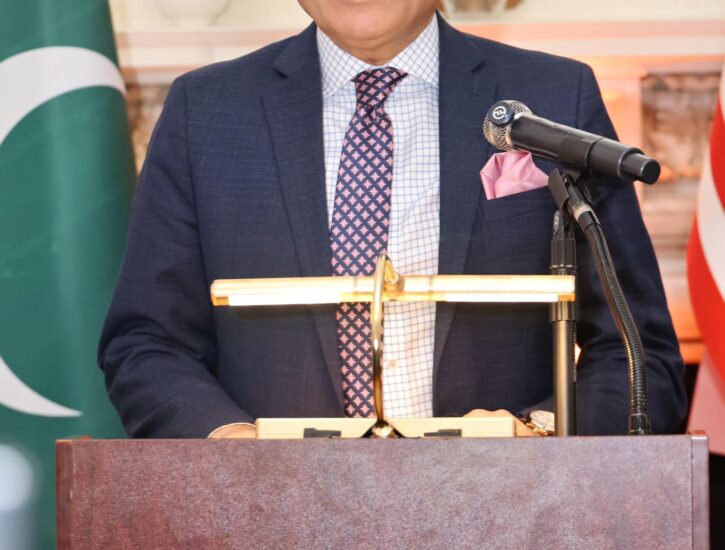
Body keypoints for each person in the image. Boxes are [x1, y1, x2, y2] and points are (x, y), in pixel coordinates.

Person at [98, 0, 686, 438]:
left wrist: (537, 434)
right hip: (269, 514)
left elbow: (638, 353)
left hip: (503, 513)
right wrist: (230, 447)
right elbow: (148, 343)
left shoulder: (553, 95)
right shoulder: (205, 111)